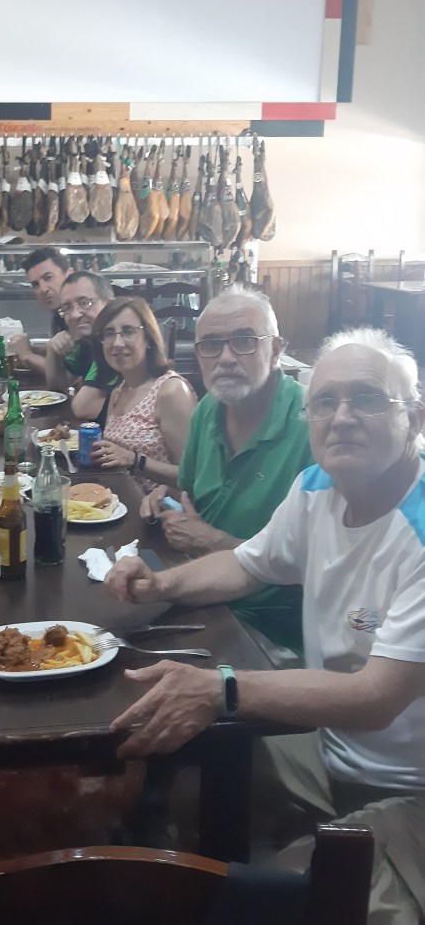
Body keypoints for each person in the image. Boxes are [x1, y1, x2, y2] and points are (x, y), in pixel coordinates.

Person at [105, 328, 425, 924]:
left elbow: (377, 697)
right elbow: (249, 565)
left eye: (367, 399)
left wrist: (224, 689)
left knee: (283, 899)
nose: (342, 417)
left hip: (410, 789)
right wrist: (161, 583)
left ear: (416, 416)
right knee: (183, 781)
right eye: (325, 402)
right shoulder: (316, 487)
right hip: (330, 746)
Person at [141, 284, 313, 654]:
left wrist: (213, 541)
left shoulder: (313, 426)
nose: (226, 358)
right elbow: (193, 495)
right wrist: (167, 497)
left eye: (244, 341)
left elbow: (319, 570)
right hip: (203, 597)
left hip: (273, 634)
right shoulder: (208, 409)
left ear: (276, 350)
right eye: (211, 345)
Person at [88, 297, 197, 492]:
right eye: (109, 333)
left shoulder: (171, 391)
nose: (117, 343)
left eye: (128, 331)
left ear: (148, 338)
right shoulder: (118, 391)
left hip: (158, 507)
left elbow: (193, 477)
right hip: (117, 501)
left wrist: (135, 460)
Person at [45, 270, 118, 421]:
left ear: (109, 304)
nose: (75, 315)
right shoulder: (85, 343)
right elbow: (57, 387)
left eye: (85, 303)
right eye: (67, 308)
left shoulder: (116, 345)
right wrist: (53, 350)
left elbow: (84, 409)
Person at [10, 246, 71, 376]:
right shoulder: (59, 315)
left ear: (69, 275)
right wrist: (36, 350)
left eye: (48, 278)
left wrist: (27, 355)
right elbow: (65, 357)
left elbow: (70, 375)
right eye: (36, 284)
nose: (43, 289)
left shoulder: (81, 316)